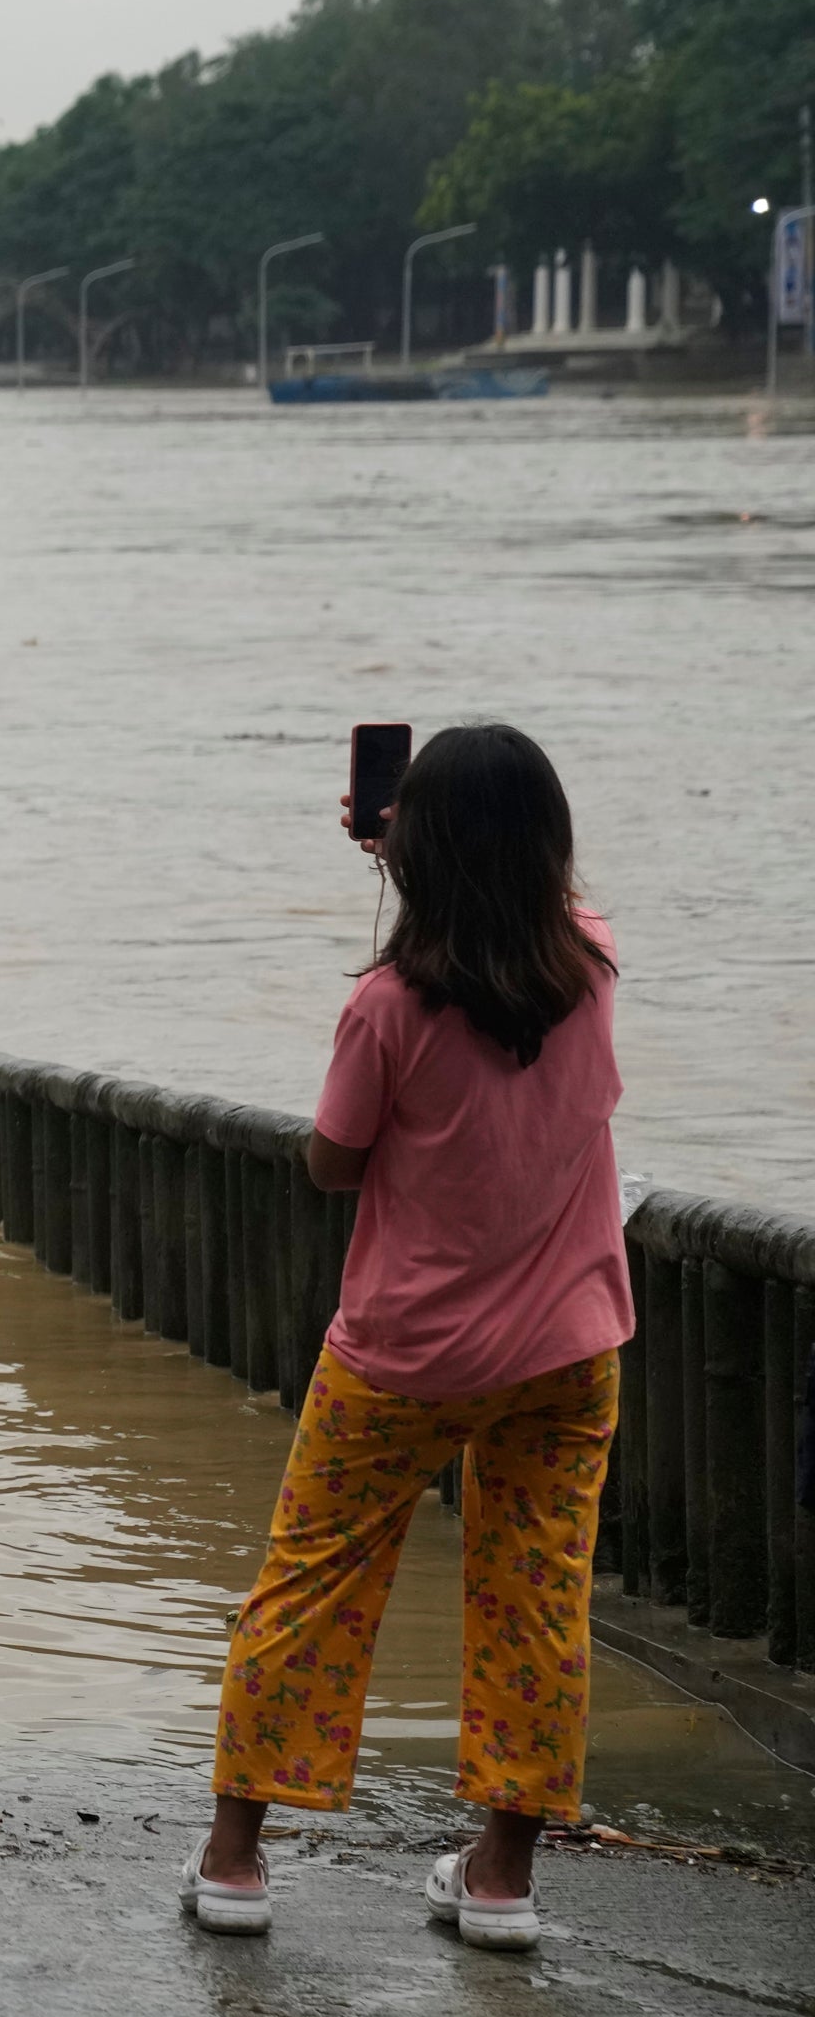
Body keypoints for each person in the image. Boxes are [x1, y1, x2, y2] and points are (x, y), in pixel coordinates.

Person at [188, 724, 627, 1953]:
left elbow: (333, 1162)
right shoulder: (591, 964)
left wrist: (396, 859)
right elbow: (530, 906)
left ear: (411, 851)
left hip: (404, 1357)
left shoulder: (386, 1008)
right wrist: (411, 850)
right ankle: (499, 1880)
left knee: (311, 1585)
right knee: (535, 1598)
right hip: (567, 1348)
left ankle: (236, 1860)